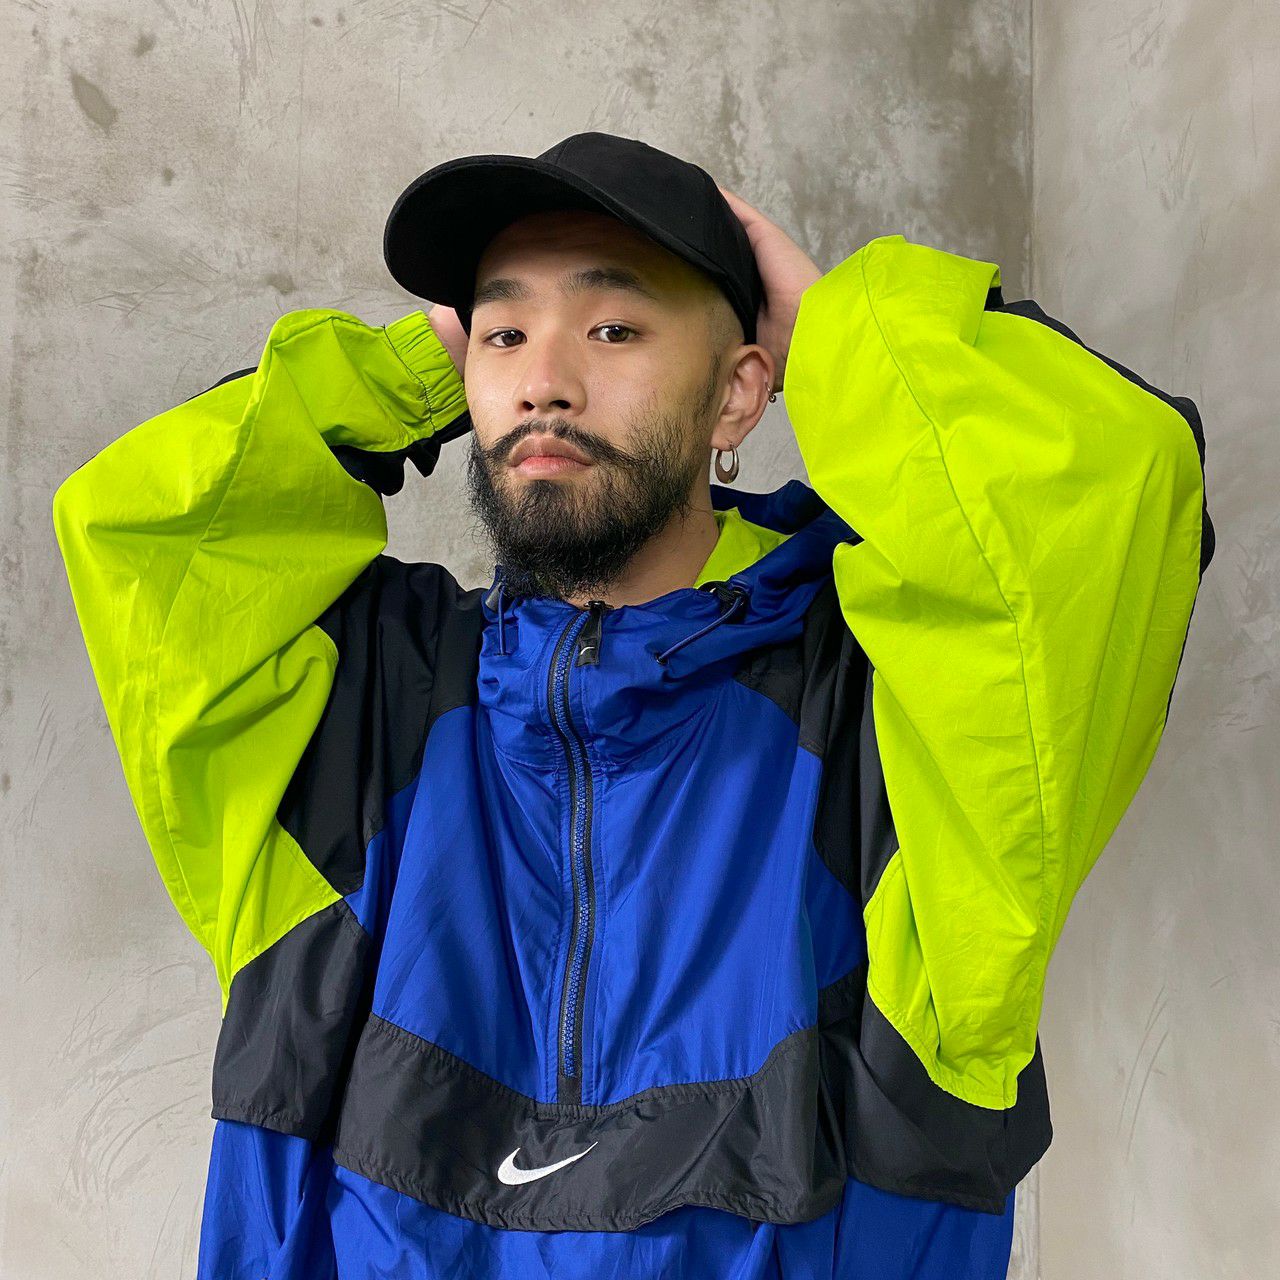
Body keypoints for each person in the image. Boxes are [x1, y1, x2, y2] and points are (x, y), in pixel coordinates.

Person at [52, 131, 1214, 1279]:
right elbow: (149, 534)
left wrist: (833, 334)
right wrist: (409, 370)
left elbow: (1105, 486)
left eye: (613, 328)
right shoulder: (364, 699)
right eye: (504, 332)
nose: (542, 380)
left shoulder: (888, 710)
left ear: (738, 392)